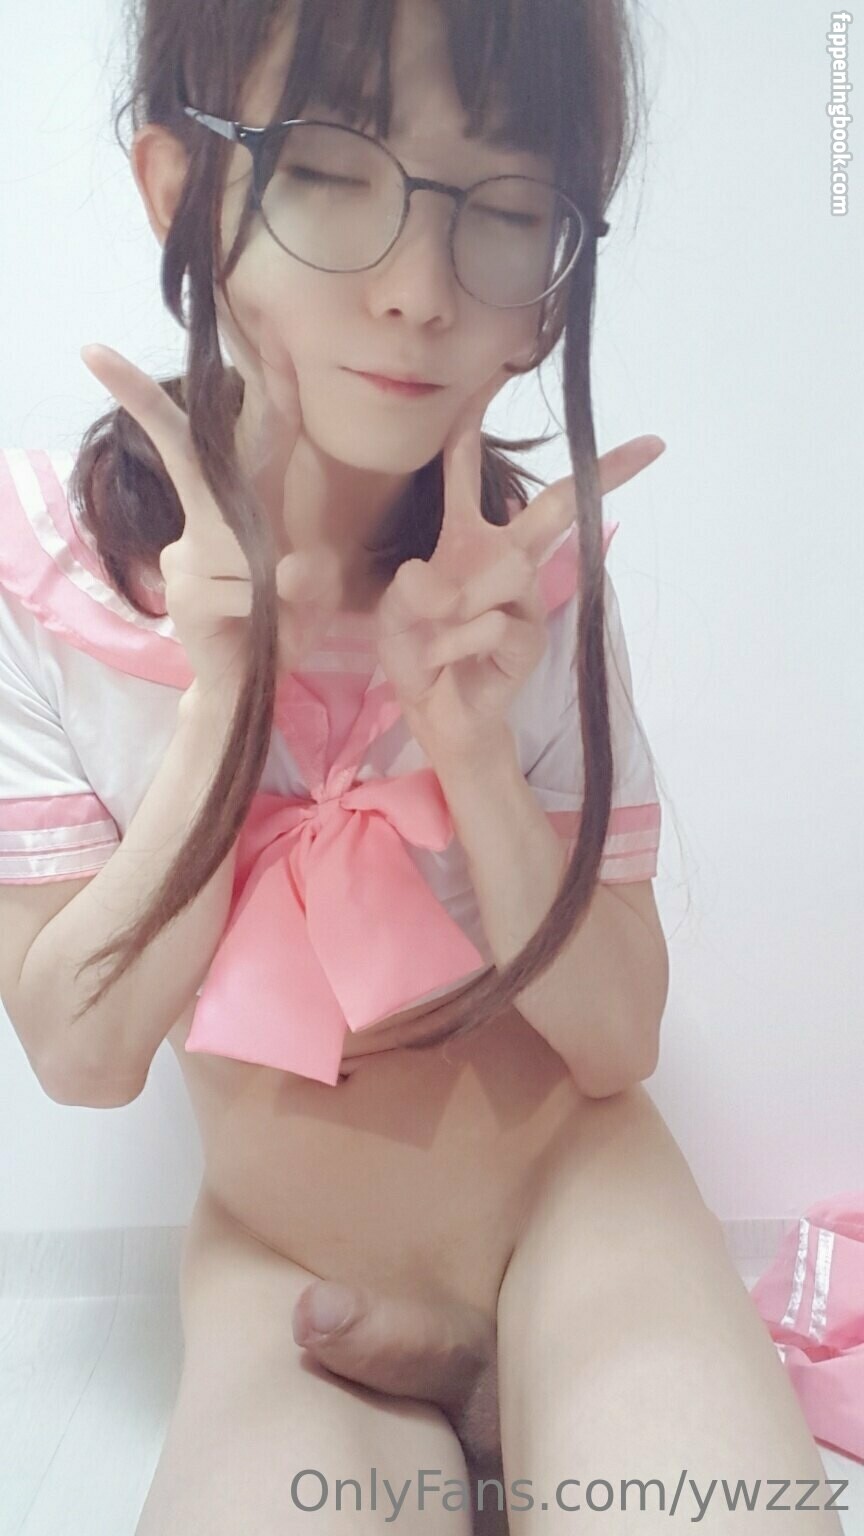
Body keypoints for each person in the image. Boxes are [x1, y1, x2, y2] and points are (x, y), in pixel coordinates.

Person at [0, 2, 842, 1532]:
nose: (418, 290)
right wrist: (226, 702)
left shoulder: (528, 587)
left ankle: (519, 1389)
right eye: (330, 169)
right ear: (181, 189)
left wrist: (472, 750)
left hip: (575, 1213)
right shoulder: (54, 581)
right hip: (289, 1275)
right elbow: (83, 1052)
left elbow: (615, 1035)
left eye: (506, 207)